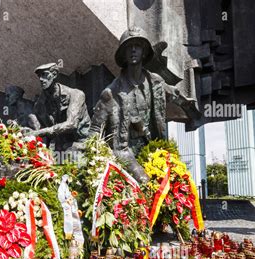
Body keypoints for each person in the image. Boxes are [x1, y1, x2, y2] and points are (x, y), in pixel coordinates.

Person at [90, 27, 175, 182]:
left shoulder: (155, 82)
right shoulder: (111, 93)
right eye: (129, 47)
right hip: (126, 153)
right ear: (123, 54)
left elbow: (173, 95)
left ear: (144, 52)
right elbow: (95, 130)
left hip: (153, 150)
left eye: (138, 46)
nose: (133, 50)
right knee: (144, 180)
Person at [28, 63, 91, 152]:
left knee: (71, 155)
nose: (41, 79)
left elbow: (71, 124)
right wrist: (29, 132)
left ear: (54, 74)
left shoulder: (76, 94)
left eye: (45, 74)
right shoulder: (40, 104)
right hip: (60, 146)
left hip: (81, 143)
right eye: (39, 76)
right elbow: (42, 128)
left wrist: (41, 132)